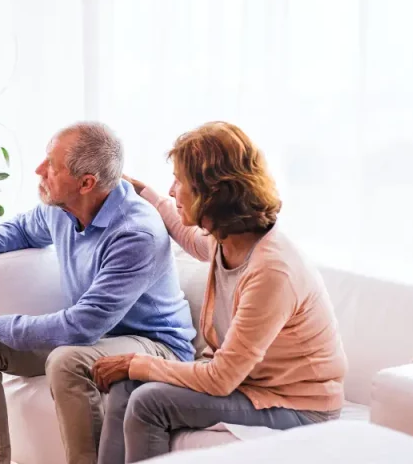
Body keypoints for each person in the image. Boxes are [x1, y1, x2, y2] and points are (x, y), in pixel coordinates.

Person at [93, 121, 347, 464]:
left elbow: (221, 377)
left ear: (211, 192)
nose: (171, 191)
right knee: (126, 386)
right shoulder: (228, 239)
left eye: (180, 181)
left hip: (298, 407)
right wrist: (142, 193)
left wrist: (138, 363)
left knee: (148, 401)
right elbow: (189, 237)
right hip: (252, 386)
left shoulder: (272, 270)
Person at [0, 121, 197, 464]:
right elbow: (21, 229)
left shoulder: (136, 233)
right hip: (99, 335)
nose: (39, 170)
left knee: (66, 360)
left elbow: (82, 327)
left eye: (51, 165)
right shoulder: (61, 209)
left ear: (86, 183)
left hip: (156, 344)